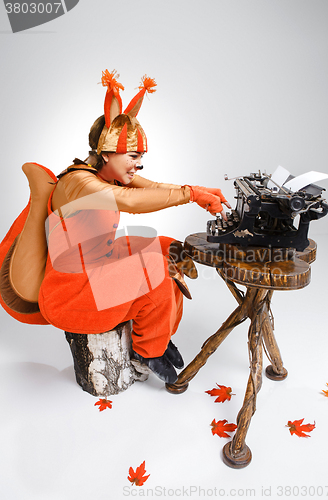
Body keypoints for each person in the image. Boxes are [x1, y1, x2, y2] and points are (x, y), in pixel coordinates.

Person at [0, 69, 230, 384]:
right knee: (157, 274)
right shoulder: (79, 181)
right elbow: (130, 201)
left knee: (168, 247)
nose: (138, 164)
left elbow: (154, 187)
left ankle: (159, 334)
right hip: (71, 291)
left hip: (96, 264)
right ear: (107, 152)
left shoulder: (107, 174)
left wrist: (199, 191)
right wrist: (190, 195)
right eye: (133, 156)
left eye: (140, 157)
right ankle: (147, 351)